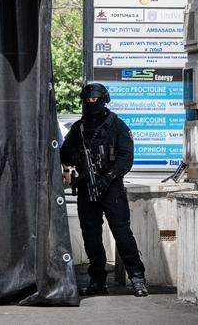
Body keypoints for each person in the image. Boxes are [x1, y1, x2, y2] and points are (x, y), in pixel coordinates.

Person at [60, 83, 148, 297]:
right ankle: (97, 280)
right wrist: (76, 159)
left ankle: (137, 278)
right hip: (86, 187)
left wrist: (108, 177)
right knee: (91, 237)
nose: (91, 104)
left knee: (122, 233)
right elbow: (63, 154)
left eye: (95, 100)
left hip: (111, 188)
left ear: (104, 100)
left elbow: (126, 158)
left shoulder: (117, 125)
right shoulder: (78, 128)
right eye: (87, 100)